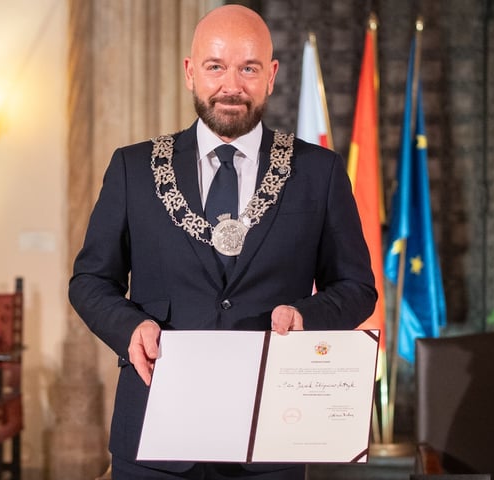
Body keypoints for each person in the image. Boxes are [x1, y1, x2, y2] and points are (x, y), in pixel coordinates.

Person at [69, 4, 377, 479]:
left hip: (271, 436)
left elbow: (357, 287)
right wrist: (130, 328)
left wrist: (305, 315)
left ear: (271, 75)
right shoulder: (133, 168)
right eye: (216, 67)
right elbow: (90, 280)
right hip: (155, 431)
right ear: (191, 72)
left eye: (248, 68)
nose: (231, 86)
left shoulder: (320, 172)